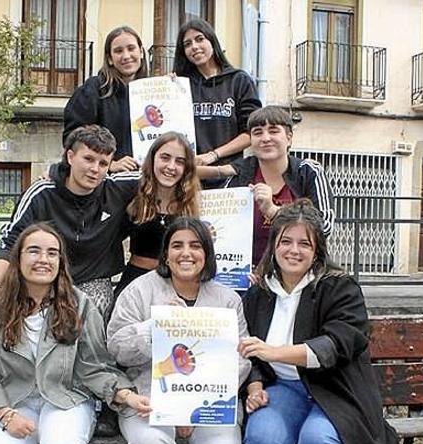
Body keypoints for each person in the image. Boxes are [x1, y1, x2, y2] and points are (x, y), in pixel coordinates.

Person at [0, 223, 152, 444]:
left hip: (66, 399)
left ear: (61, 261)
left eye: (52, 253)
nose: (43, 259)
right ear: (18, 258)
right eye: (34, 251)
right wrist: (4, 414)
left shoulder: (79, 304)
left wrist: (125, 394)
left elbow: (94, 366)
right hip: (9, 401)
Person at [237, 200, 398, 444]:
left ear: (317, 251)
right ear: (273, 245)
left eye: (304, 244)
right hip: (283, 389)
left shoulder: (340, 288)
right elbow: (249, 352)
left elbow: (335, 345)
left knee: (317, 440)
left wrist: (273, 351)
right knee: (262, 436)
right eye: (285, 241)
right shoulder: (259, 293)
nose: (293, 250)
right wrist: (255, 388)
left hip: (337, 391)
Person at [107, 217, 251, 444]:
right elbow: (116, 347)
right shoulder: (139, 290)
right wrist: (157, 326)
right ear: (166, 254)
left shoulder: (228, 299)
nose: (186, 253)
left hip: (209, 401)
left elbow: (241, 359)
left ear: (206, 254)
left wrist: (191, 405)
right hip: (148, 398)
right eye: (177, 246)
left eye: (195, 245)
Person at [0, 125, 140, 320]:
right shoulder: (41, 193)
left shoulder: (117, 188)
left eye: (103, 163)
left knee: (94, 305)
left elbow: (163, 173)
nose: (94, 169)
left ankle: (90, 352)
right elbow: (10, 240)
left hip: (93, 280)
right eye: (88, 159)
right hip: (43, 279)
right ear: (70, 157)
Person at [225, 106, 335, 266]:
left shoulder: (308, 171)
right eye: (257, 132)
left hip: (299, 275)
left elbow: (324, 226)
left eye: (273, 131)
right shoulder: (238, 176)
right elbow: (224, 229)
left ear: (289, 138)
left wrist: (274, 211)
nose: (265, 138)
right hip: (247, 276)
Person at [173, 19, 261, 188]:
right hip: (188, 180)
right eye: (187, 44)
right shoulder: (181, 85)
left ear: (212, 41)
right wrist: (165, 89)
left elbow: (251, 132)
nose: (194, 47)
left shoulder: (239, 80)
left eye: (200, 39)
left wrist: (214, 155)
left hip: (229, 177)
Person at [114, 131, 202, 300]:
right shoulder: (132, 191)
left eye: (180, 161)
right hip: (136, 281)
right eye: (165, 158)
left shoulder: (191, 202)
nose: (171, 166)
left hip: (176, 284)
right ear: (153, 158)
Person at [64, 26, 148, 173]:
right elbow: (74, 139)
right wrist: (109, 165)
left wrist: (172, 89)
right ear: (109, 59)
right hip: (105, 184)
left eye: (131, 48)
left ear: (140, 52)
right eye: (118, 51)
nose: (126, 56)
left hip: (145, 183)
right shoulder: (92, 90)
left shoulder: (151, 90)